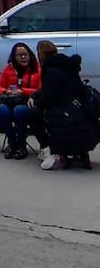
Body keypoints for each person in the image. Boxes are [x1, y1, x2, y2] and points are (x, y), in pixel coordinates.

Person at [32, 41, 98, 171]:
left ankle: (49, 148)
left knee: (34, 114)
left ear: (40, 54)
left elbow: (49, 94)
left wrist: (36, 101)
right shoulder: (68, 64)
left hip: (60, 109)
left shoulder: (48, 69)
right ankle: (81, 154)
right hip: (77, 106)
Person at [0, 43, 42, 160]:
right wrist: (6, 91)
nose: (23, 57)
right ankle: (12, 144)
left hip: (29, 102)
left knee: (19, 111)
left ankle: (21, 145)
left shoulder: (37, 68)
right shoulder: (9, 68)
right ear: (14, 57)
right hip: (12, 100)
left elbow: (41, 90)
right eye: (20, 55)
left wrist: (23, 91)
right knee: (2, 109)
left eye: (25, 54)